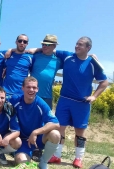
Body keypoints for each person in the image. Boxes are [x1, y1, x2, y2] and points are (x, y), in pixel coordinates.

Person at [0, 76, 60, 169]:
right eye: (28, 87)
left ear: (37, 89)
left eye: (34, 87)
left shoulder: (41, 103)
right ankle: (13, 153)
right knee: (22, 163)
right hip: (21, 141)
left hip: (37, 139)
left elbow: (55, 123)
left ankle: (43, 162)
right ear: (22, 88)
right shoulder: (15, 100)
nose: (31, 90)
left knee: (55, 134)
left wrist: (36, 132)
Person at [48, 37, 108, 168]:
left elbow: (104, 82)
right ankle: (56, 156)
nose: (76, 46)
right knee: (59, 128)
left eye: (80, 45)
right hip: (64, 100)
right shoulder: (68, 56)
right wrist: (34, 49)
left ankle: (78, 158)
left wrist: (94, 96)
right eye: (76, 44)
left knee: (80, 132)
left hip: (81, 104)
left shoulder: (93, 63)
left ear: (88, 48)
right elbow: (50, 49)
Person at [30, 34, 62, 109]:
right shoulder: (35, 56)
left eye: (47, 45)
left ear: (54, 46)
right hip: (31, 94)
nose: (44, 46)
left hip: (47, 97)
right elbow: (22, 51)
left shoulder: (58, 61)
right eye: (43, 44)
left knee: (47, 120)